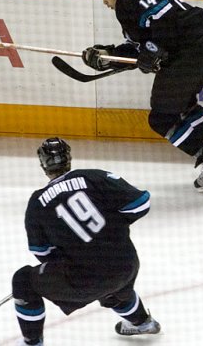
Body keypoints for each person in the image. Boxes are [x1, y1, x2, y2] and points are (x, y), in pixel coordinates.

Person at [83, 0, 203, 192]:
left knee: (161, 118)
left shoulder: (127, 1)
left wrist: (154, 50)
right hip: (202, 45)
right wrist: (109, 56)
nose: (104, 1)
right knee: (184, 105)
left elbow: (163, 23)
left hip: (189, 50)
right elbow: (144, 43)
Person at [12, 137, 161, 346]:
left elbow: (42, 252)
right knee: (113, 284)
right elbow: (140, 204)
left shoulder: (38, 203)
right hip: (126, 264)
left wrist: (71, 253)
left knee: (23, 281)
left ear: (43, 165)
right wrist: (113, 227)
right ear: (69, 158)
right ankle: (142, 323)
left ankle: (32, 343)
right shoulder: (95, 177)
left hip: (84, 278)